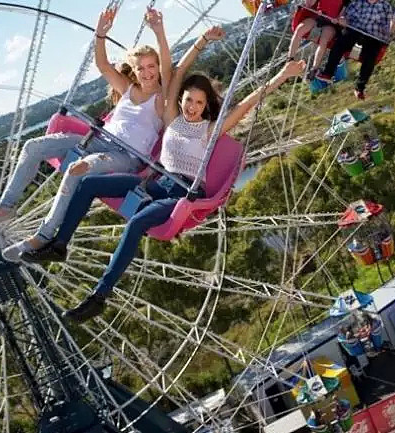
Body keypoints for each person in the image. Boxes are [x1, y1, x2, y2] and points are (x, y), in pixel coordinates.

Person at [22, 25, 306, 322]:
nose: (193, 107)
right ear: (180, 100)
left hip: (180, 193)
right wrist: (189, 38)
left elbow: (249, 103)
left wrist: (282, 76)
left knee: (136, 224)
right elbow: (176, 71)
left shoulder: (209, 130)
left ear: (206, 106)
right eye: (189, 100)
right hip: (156, 182)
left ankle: (99, 296)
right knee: (88, 184)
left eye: (199, 102)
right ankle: (59, 244)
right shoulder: (171, 117)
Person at [0, 7, 168, 251]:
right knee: (32, 146)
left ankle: (44, 235)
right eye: (141, 68)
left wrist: (159, 32)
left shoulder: (163, 99)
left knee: (77, 169)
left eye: (152, 66)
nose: (147, 73)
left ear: (158, 68)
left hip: (125, 157)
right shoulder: (128, 89)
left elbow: (170, 70)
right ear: (135, 70)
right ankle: (6, 207)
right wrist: (100, 35)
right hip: (98, 141)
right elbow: (102, 65)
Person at [315, 0, 395, 100]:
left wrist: (392, 26)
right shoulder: (360, 2)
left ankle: (360, 87)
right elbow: (347, 15)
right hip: (356, 31)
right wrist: (342, 20)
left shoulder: (384, 6)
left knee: (370, 57)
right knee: (340, 43)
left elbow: (388, 25)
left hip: (373, 36)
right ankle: (328, 72)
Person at [288, 0, 352, 77]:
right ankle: (290, 58)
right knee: (300, 29)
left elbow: (342, 14)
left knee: (324, 40)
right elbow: (310, 4)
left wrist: (338, 20)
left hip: (331, 23)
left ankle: (314, 68)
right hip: (318, 16)